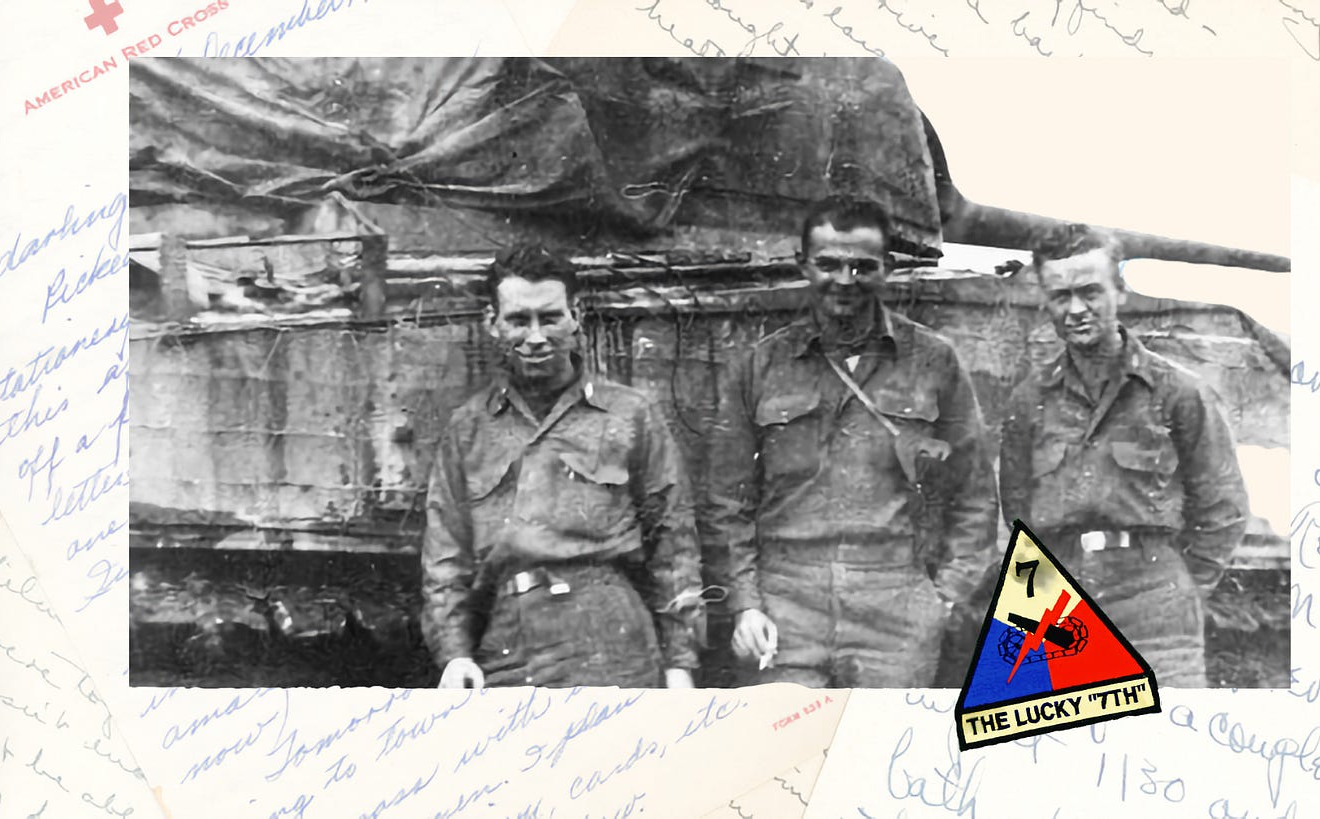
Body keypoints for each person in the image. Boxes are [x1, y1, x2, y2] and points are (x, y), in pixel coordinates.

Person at [701, 196, 999, 688]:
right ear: (803, 264)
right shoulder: (759, 366)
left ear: (888, 269)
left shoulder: (934, 360)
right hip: (786, 603)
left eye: (863, 266)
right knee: (787, 753)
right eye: (829, 265)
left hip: (895, 602)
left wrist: (944, 599)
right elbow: (724, 503)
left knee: (883, 753)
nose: (845, 280)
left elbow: (975, 495)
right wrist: (746, 604)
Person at [422, 244, 703, 689]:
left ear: (577, 317)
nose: (535, 337)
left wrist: (679, 664)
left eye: (549, 317)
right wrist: (455, 655)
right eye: (518, 320)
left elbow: (674, 544)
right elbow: (446, 557)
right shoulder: (469, 429)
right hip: (508, 643)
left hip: (611, 639)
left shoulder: (629, 415)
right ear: (491, 323)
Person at [999, 224, 1250, 687]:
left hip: (1155, 602)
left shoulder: (1179, 393)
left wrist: (1183, 588)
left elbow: (1224, 509)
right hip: (1059, 604)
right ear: (1045, 301)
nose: (1075, 309)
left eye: (1090, 292)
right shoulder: (1028, 400)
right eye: (1060, 296)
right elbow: (1016, 508)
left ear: (1121, 291)